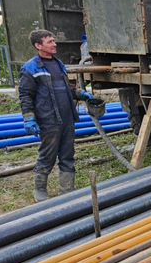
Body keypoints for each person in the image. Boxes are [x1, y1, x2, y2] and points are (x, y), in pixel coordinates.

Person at [18, 30, 95, 202]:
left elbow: (67, 87)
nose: (54, 44)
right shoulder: (31, 68)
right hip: (49, 119)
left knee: (68, 155)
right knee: (47, 155)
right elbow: (25, 96)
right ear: (38, 46)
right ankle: (40, 189)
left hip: (67, 118)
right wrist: (29, 118)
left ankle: (67, 191)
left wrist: (82, 94)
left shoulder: (59, 64)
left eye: (54, 41)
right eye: (50, 42)